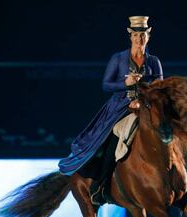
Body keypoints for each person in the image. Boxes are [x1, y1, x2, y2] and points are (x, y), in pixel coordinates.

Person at [58, 16, 163, 205]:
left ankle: (175, 180)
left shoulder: (154, 61)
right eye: (137, 35)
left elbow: (159, 86)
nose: (140, 39)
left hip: (146, 108)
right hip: (119, 108)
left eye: (143, 35)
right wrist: (126, 83)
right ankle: (102, 184)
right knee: (111, 140)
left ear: (149, 35)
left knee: (167, 132)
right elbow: (106, 85)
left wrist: (143, 98)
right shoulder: (118, 58)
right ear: (130, 35)